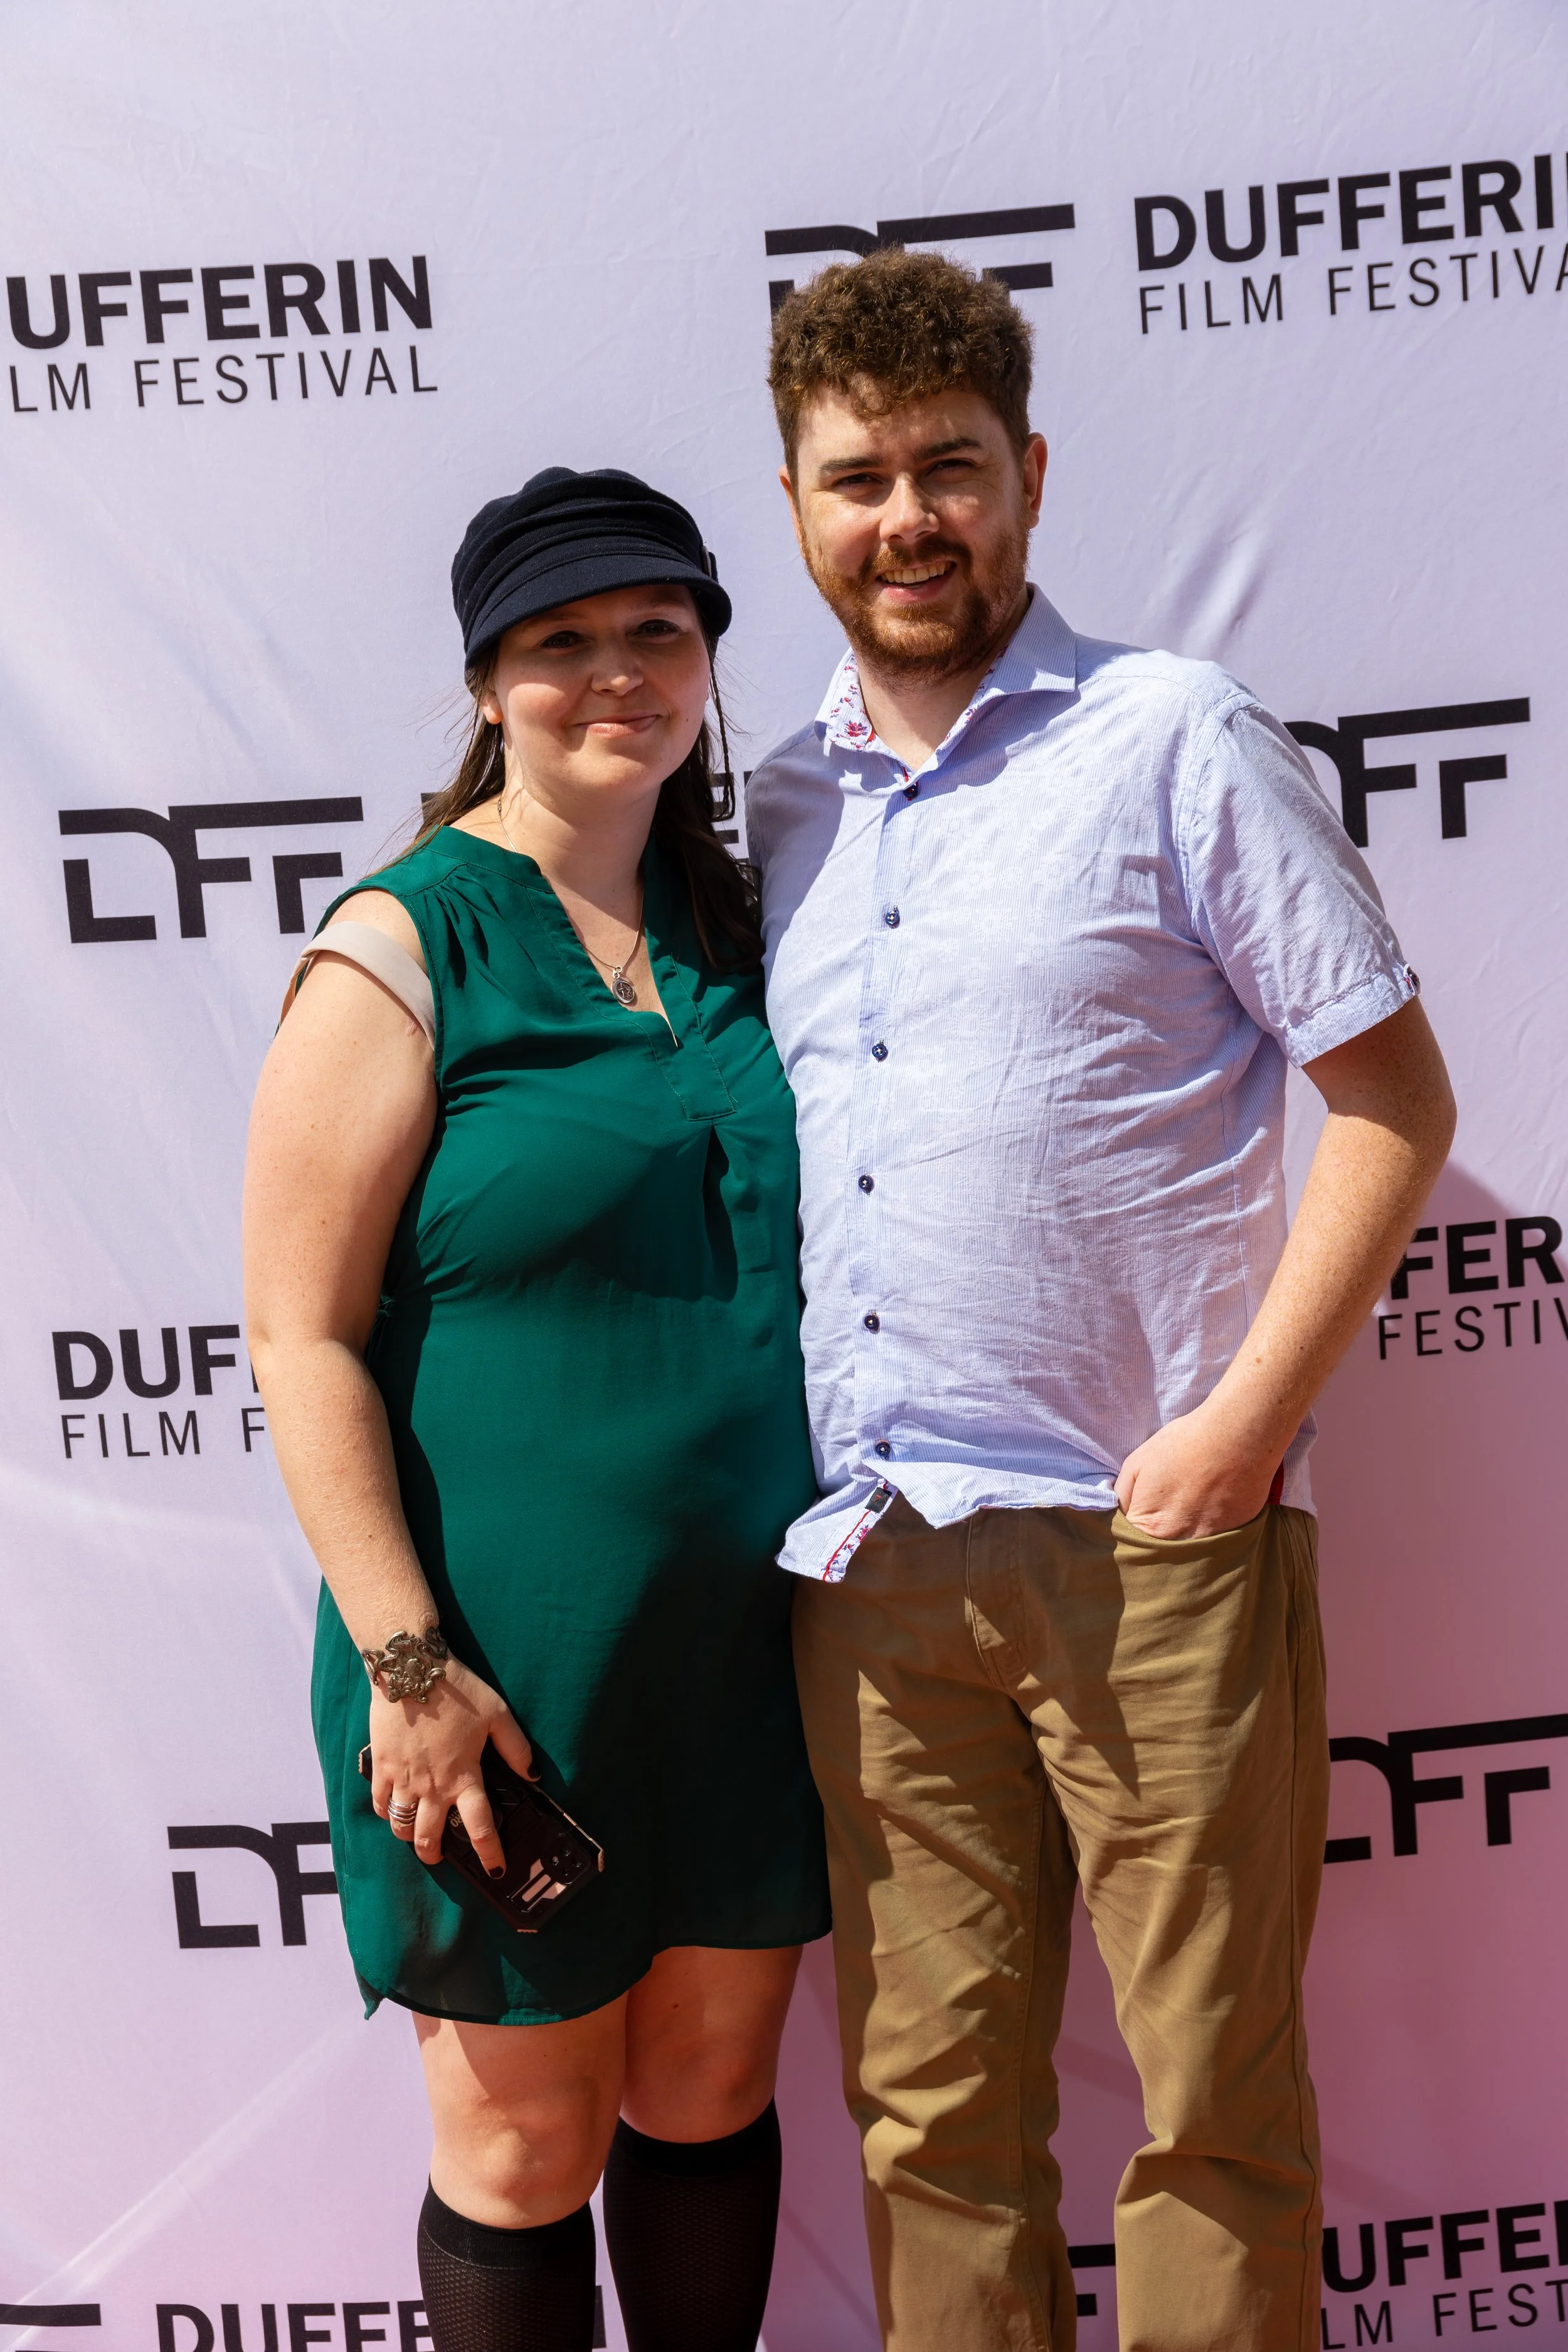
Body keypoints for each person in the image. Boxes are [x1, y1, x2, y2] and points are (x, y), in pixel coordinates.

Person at [747, 250, 1456, 2352]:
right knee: (927, 2120)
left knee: (1208, 2118)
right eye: (855, 477)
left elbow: (1393, 1103)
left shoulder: (1173, 736)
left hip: (1157, 1553)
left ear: (1029, 478)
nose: (906, 519)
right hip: (871, 1570)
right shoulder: (766, 806)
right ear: (794, 506)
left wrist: (1237, 1431)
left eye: (947, 468)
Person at [242, 465, 830, 2352]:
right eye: (560, 643)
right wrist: (411, 1660)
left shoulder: (741, 928)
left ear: (711, 661)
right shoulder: (403, 943)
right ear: (488, 683)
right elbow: (300, 1332)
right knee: (518, 2146)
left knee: (709, 2092)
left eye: (656, 632)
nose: (615, 675)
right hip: (497, 1662)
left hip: (748, 1647)